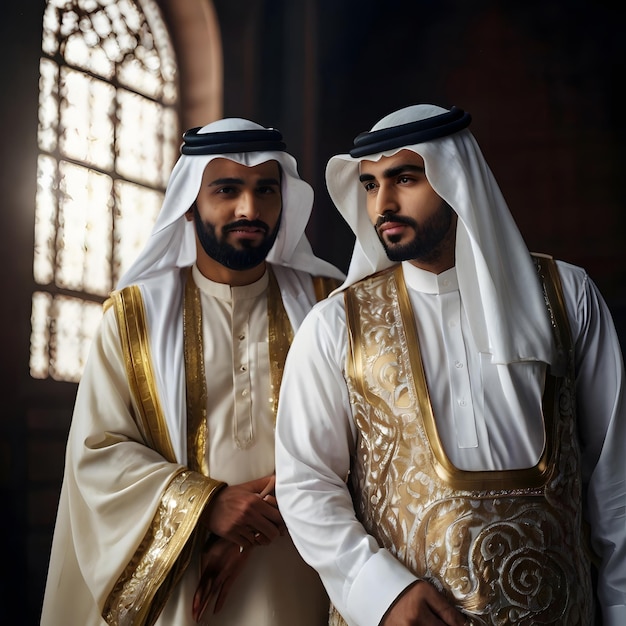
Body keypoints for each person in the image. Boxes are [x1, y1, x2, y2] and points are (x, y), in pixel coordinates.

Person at [274, 104, 626, 626]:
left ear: (456, 177)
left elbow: (614, 478)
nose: (383, 204)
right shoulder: (334, 326)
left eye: (405, 178)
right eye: (370, 185)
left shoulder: (566, 297)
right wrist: (381, 593)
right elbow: (306, 483)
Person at [40, 117, 344, 626]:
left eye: (266, 190)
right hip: (187, 570)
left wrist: (257, 529)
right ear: (188, 201)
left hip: (307, 564)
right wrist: (208, 506)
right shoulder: (133, 317)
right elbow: (97, 452)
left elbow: (364, 439)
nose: (249, 208)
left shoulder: (326, 304)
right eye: (227, 189)